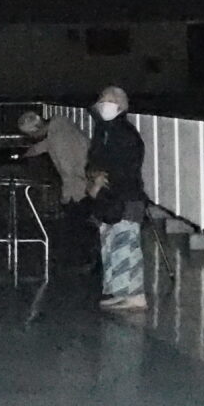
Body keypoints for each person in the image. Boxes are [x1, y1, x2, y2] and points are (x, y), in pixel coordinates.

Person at [87, 86, 147, 312]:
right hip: (108, 198)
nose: (106, 104)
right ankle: (120, 292)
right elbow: (92, 160)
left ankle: (135, 295)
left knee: (126, 244)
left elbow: (125, 168)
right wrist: (94, 178)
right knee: (110, 245)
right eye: (103, 99)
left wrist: (101, 182)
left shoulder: (125, 133)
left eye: (112, 100)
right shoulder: (104, 132)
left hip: (125, 198)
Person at [18, 111, 89, 205]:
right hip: (86, 180)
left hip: (81, 192)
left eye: (31, 135)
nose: (33, 137)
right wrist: (24, 154)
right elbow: (43, 146)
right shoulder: (59, 125)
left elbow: (69, 172)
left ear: (35, 129)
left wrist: (67, 196)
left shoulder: (58, 141)